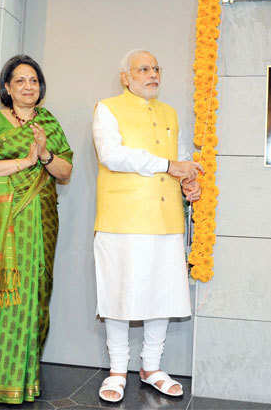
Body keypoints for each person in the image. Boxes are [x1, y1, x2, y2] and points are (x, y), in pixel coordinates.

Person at [0, 55, 73, 404]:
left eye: (34, 80)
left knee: (34, 294)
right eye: (19, 80)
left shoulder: (49, 123)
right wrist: (26, 160)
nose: (28, 86)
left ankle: (24, 380)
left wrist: (46, 154)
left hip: (40, 220)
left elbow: (65, 172)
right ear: (6, 87)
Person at [93, 49, 202, 403]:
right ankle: (117, 369)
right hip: (122, 218)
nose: (152, 74)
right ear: (126, 77)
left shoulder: (169, 112)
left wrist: (189, 181)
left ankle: (151, 366)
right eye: (143, 69)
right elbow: (112, 154)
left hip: (166, 217)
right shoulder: (107, 108)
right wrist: (170, 165)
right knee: (120, 292)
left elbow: (181, 157)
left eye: (156, 68)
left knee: (163, 293)